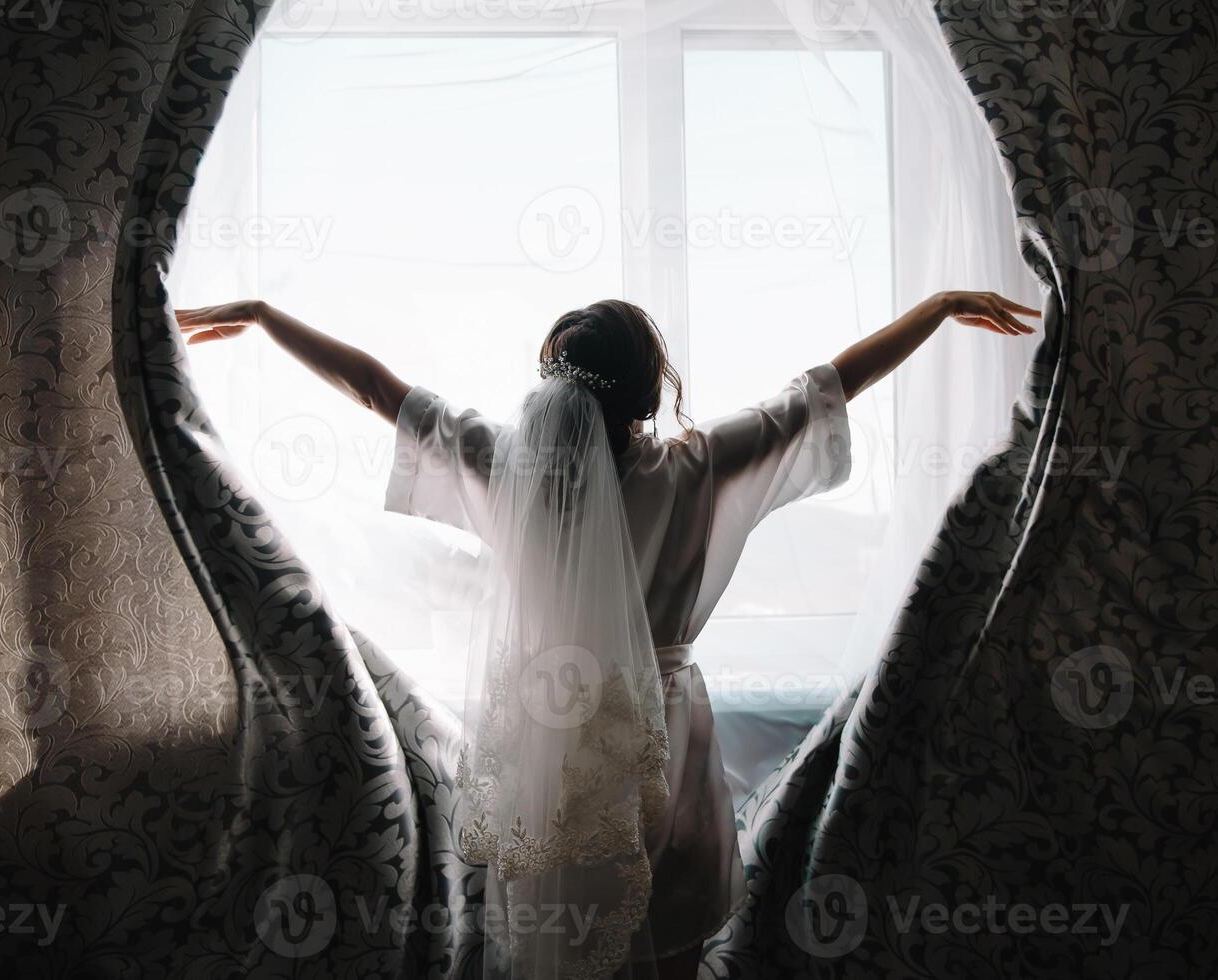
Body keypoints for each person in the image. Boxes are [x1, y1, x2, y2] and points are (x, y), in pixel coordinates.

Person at [177, 292, 1039, 979]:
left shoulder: (504, 465)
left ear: (553, 386)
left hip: (550, 728)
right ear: (649, 388)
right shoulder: (698, 467)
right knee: (669, 920)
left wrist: (264, 317)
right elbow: (823, 388)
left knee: (568, 926)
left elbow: (377, 387)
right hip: (661, 725)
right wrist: (933, 310)